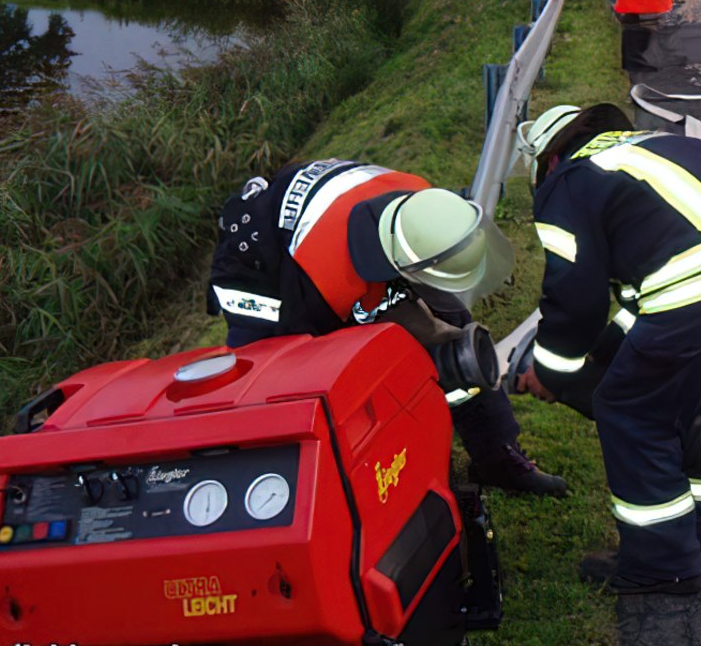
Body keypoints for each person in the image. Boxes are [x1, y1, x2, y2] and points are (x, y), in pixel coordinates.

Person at [511, 103, 701, 593]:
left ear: (548, 160)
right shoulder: (649, 150)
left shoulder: (568, 181)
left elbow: (574, 299)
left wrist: (550, 372)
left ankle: (662, 566)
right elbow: (645, 303)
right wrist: (602, 356)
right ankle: (696, 549)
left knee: (632, 414)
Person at [206, 158, 567, 497]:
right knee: (290, 387)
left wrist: (443, 344)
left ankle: (498, 458)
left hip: (340, 218)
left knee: (456, 344)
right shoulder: (323, 280)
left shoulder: (422, 201)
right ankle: (282, 488)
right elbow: (317, 360)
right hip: (262, 268)